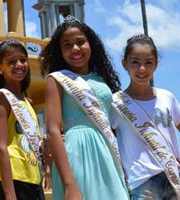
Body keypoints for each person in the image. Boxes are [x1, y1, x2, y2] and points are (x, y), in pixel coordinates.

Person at [40, 15, 128, 200]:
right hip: (76, 152)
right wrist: (69, 184)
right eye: (67, 45)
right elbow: (53, 130)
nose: (75, 49)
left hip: (106, 150)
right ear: (60, 51)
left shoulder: (101, 79)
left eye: (80, 42)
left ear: (91, 44)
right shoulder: (56, 79)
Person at [110, 34, 180, 200]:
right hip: (142, 183)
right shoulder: (116, 103)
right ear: (124, 63)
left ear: (156, 65)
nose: (142, 69)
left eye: (148, 62)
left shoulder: (167, 97)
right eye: (135, 62)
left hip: (173, 178)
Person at [0, 39, 46, 200]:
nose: (19, 65)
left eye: (23, 60)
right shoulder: (2, 97)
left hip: (33, 177)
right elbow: (0, 146)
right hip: (14, 179)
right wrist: (9, 193)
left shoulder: (27, 102)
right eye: (11, 62)